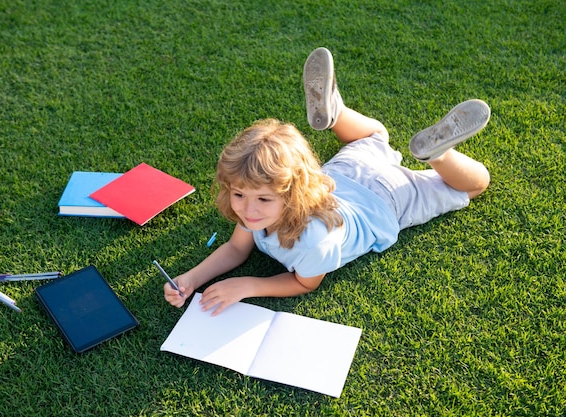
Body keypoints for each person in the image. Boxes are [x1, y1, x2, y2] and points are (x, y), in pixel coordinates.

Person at [164, 47, 491, 315]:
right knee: (375, 134)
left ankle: (438, 156)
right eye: (238, 194)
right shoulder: (256, 207)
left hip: (386, 199)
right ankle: (335, 114)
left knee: (474, 185)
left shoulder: (315, 242)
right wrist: (191, 278)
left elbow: (304, 283)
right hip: (344, 174)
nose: (248, 211)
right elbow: (236, 248)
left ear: (292, 194)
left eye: (263, 199)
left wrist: (250, 285)